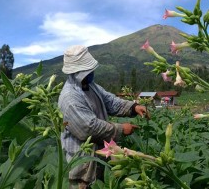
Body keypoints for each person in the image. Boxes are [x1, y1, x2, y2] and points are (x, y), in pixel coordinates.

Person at [58, 45, 147, 189]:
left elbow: (110, 101)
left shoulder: (90, 85)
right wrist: (120, 129)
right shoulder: (70, 98)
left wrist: (133, 107)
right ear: (78, 72)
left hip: (99, 155)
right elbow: (88, 128)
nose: (92, 72)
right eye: (88, 70)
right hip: (83, 165)